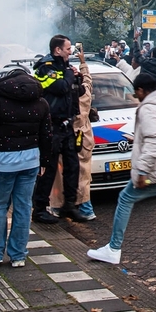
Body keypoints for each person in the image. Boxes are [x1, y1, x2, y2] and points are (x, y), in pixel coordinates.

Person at [87, 73, 156, 264]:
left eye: (135, 93)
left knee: (125, 198)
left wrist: (142, 171)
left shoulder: (148, 109)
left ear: (140, 90)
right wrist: (137, 138)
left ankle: (113, 248)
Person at [0, 67, 52, 267]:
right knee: (23, 207)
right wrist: (45, 162)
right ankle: (18, 255)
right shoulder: (41, 103)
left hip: (1, 162)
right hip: (30, 160)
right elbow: (47, 135)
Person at [32, 35, 88, 223]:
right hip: (51, 125)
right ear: (57, 50)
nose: (70, 52)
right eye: (67, 48)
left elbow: (77, 91)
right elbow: (61, 87)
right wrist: (71, 75)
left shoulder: (65, 69)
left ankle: (69, 206)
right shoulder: (45, 68)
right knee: (49, 168)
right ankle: (39, 209)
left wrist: (76, 78)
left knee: (72, 166)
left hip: (67, 125)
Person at [71, 48, 96, 220]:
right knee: (84, 174)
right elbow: (88, 80)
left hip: (74, 137)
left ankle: (85, 209)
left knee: (78, 174)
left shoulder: (68, 98)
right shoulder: (85, 92)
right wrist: (82, 63)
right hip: (86, 137)